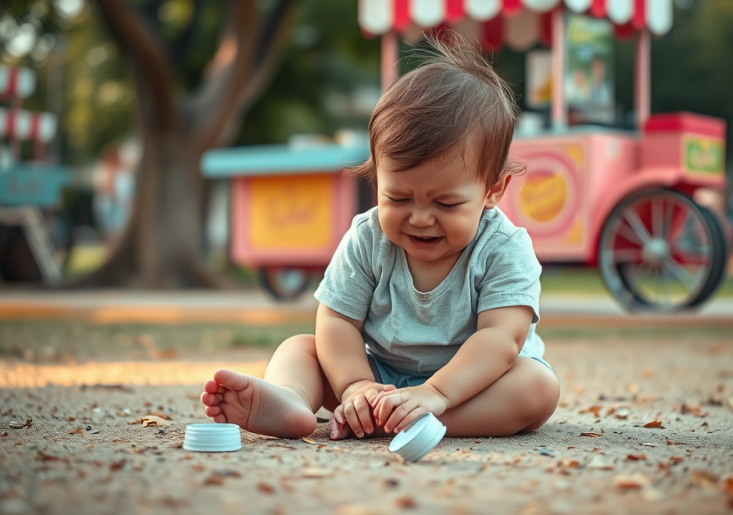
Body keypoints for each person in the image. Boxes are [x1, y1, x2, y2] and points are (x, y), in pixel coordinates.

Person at [200, 35, 560, 440]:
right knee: (301, 347)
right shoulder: (368, 238)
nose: (421, 218)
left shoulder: (504, 248)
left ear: (493, 190)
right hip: (376, 382)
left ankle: (423, 423)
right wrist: (356, 385)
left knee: (536, 386)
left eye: (445, 203)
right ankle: (292, 401)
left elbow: (501, 338)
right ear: (378, 179)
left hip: (470, 388)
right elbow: (336, 320)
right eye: (399, 197)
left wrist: (435, 394)